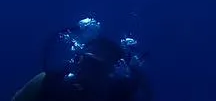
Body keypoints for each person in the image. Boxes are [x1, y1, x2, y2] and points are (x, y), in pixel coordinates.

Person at [11, 18, 151, 101]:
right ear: (78, 60)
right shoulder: (48, 83)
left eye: (97, 67)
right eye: (86, 62)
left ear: (112, 72)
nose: (88, 72)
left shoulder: (120, 94)